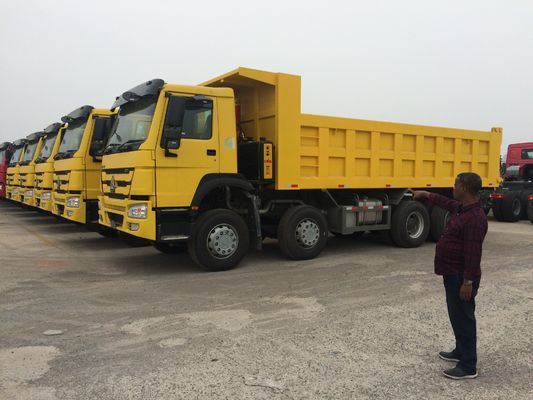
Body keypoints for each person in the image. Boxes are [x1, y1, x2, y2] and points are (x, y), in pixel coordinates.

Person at [413, 172, 488, 380]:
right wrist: (426, 194)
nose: (453, 188)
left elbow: (473, 254)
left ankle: (468, 366)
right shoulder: (462, 208)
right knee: (456, 315)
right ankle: (460, 351)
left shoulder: (475, 218)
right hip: (452, 273)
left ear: (465, 188)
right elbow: (445, 202)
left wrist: (468, 282)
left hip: (461, 277)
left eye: (456, 184)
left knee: (464, 318)